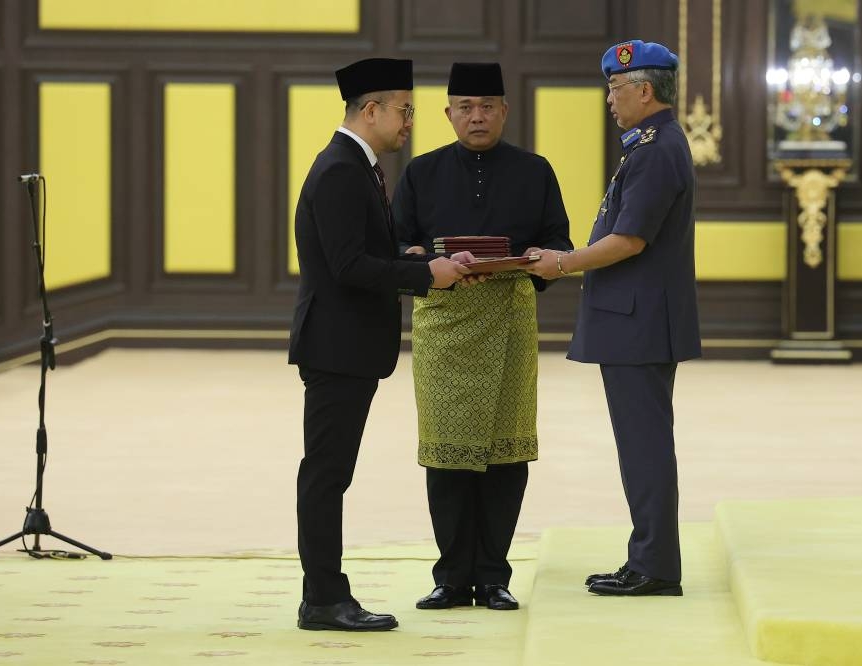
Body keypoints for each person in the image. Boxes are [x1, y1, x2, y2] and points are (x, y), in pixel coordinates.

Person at [288, 57, 470, 632]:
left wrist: (414, 258)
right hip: (336, 346)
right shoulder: (342, 169)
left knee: (329, 472)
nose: (410, 121)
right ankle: (322, 598)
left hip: (346, 345)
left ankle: (323, 592)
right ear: (371, 111)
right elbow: (346, 266)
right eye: (405, 110)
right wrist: (425, 277)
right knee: (326, 474)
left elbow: (367, 249)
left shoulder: (356, 165)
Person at [391, 62, 573, 611]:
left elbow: (557, 241)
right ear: (448, 114)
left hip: (510, 321)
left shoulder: (535, 170)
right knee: (446, 453)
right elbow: (397, 247)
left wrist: (539, 257)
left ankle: (494, 574)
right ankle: (450, 577)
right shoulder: (420, 173)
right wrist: (423, 258)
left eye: (487, 107)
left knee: (504, 452)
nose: (477, 117)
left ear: (504, 112)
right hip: (444, 325)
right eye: (466, 107)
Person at [526, 40, 701, 596]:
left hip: (638, 320)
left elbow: (629, 239)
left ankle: (654, 566)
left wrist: (564, 262)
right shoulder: (651, 144)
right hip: (636, 317)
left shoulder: (655, 149)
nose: (608, 98)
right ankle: (646, 557)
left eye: (615, 87)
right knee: (640, 444)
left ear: (643, 90)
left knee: (644, 445)